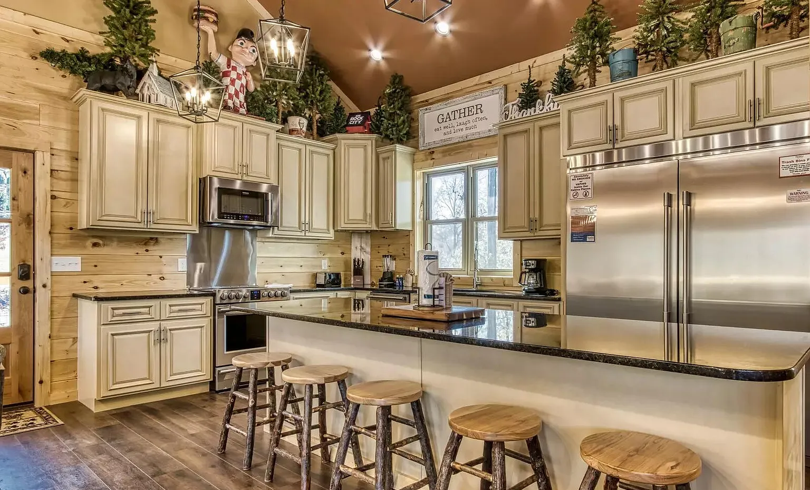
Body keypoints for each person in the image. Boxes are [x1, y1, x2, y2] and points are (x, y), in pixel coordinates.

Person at [200, 24, 258, 115]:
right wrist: (210, 33)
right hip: (226, 95)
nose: (246, 49)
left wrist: (250, 80)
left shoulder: (246, 72)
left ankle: (239, 109)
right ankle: (228, 105)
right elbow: (213, 53)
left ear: (254, 62)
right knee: (227, 104)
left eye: (253, 50)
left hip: (240, 98)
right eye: (241, 44)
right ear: (230, 48)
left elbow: (250, 89)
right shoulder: (226, 62)